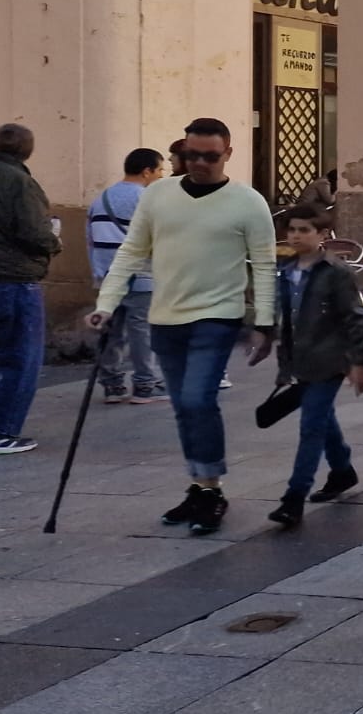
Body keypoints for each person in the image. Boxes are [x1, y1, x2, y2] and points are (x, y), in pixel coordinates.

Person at [91, 118, 277, 532]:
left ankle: (211, 489)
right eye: (191, 154)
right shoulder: (157, 195)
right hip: (165, 318)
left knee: (197, 400)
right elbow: (131, 252)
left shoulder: (248, 202)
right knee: (182, 407)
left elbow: (265, 267)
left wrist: (265, 323)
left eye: (210, 156)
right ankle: (200, 484)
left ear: (228, 153)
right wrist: (106, 303)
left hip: (217, 315)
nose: (199, 163)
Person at [266, 206, 363, 527]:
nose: (296, 235)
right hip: (300, 360)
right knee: (322, 418)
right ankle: (342, 471)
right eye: (292, 229)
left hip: (330, 360)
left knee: (311, 425)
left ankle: (293, 498)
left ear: (323, 236)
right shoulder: (285, 270)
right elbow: (283, 317)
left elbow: (353, 317)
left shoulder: (336, 273)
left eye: (305, 230)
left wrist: (358, 362)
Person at [0, 125, 62, 456]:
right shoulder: (20, 182)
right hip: (10, 280)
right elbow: (33, 232)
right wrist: (54, 240)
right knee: (19, 359)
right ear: (27, 150)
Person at [88, 148, 167, 405]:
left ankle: (112, 385)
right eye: (159, 170)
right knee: (141, 330)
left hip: (107, 276)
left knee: (112, 331)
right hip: (140, 275)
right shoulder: (146, 199)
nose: (161, 176)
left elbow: (90, 239)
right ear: (147, 171)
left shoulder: (101, 198)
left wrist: (98, 273)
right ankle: (145, 385)